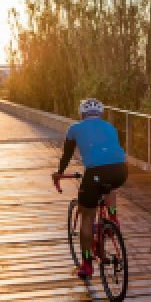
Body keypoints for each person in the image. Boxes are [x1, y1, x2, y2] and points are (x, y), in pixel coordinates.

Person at [52, 98, 127, 279]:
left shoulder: (75, 128)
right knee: (110, 186)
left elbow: (67, 154)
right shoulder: (110, 127)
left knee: (87, 216)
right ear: (101, 114)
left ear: (82, 114)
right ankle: (113, 217)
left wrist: (59, 173)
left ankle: (86, 264)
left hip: (95, 173)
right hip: (120, 170)